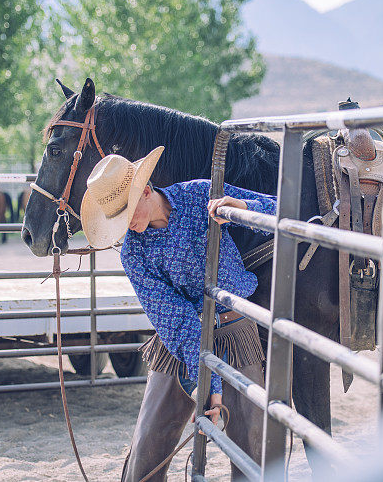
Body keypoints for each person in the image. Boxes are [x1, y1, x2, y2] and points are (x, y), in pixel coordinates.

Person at [79, 146, 277, 481]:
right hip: (179, 342)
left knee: (251, 447)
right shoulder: (133, 252)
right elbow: (174, 317)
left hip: (235, 329)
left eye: (128, 212)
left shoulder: (200, 194)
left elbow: (276, 211)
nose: (128, 224)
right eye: (119, 219)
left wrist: (241, 208)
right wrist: (205, 381)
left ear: (145, 190)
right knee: (148, 446)